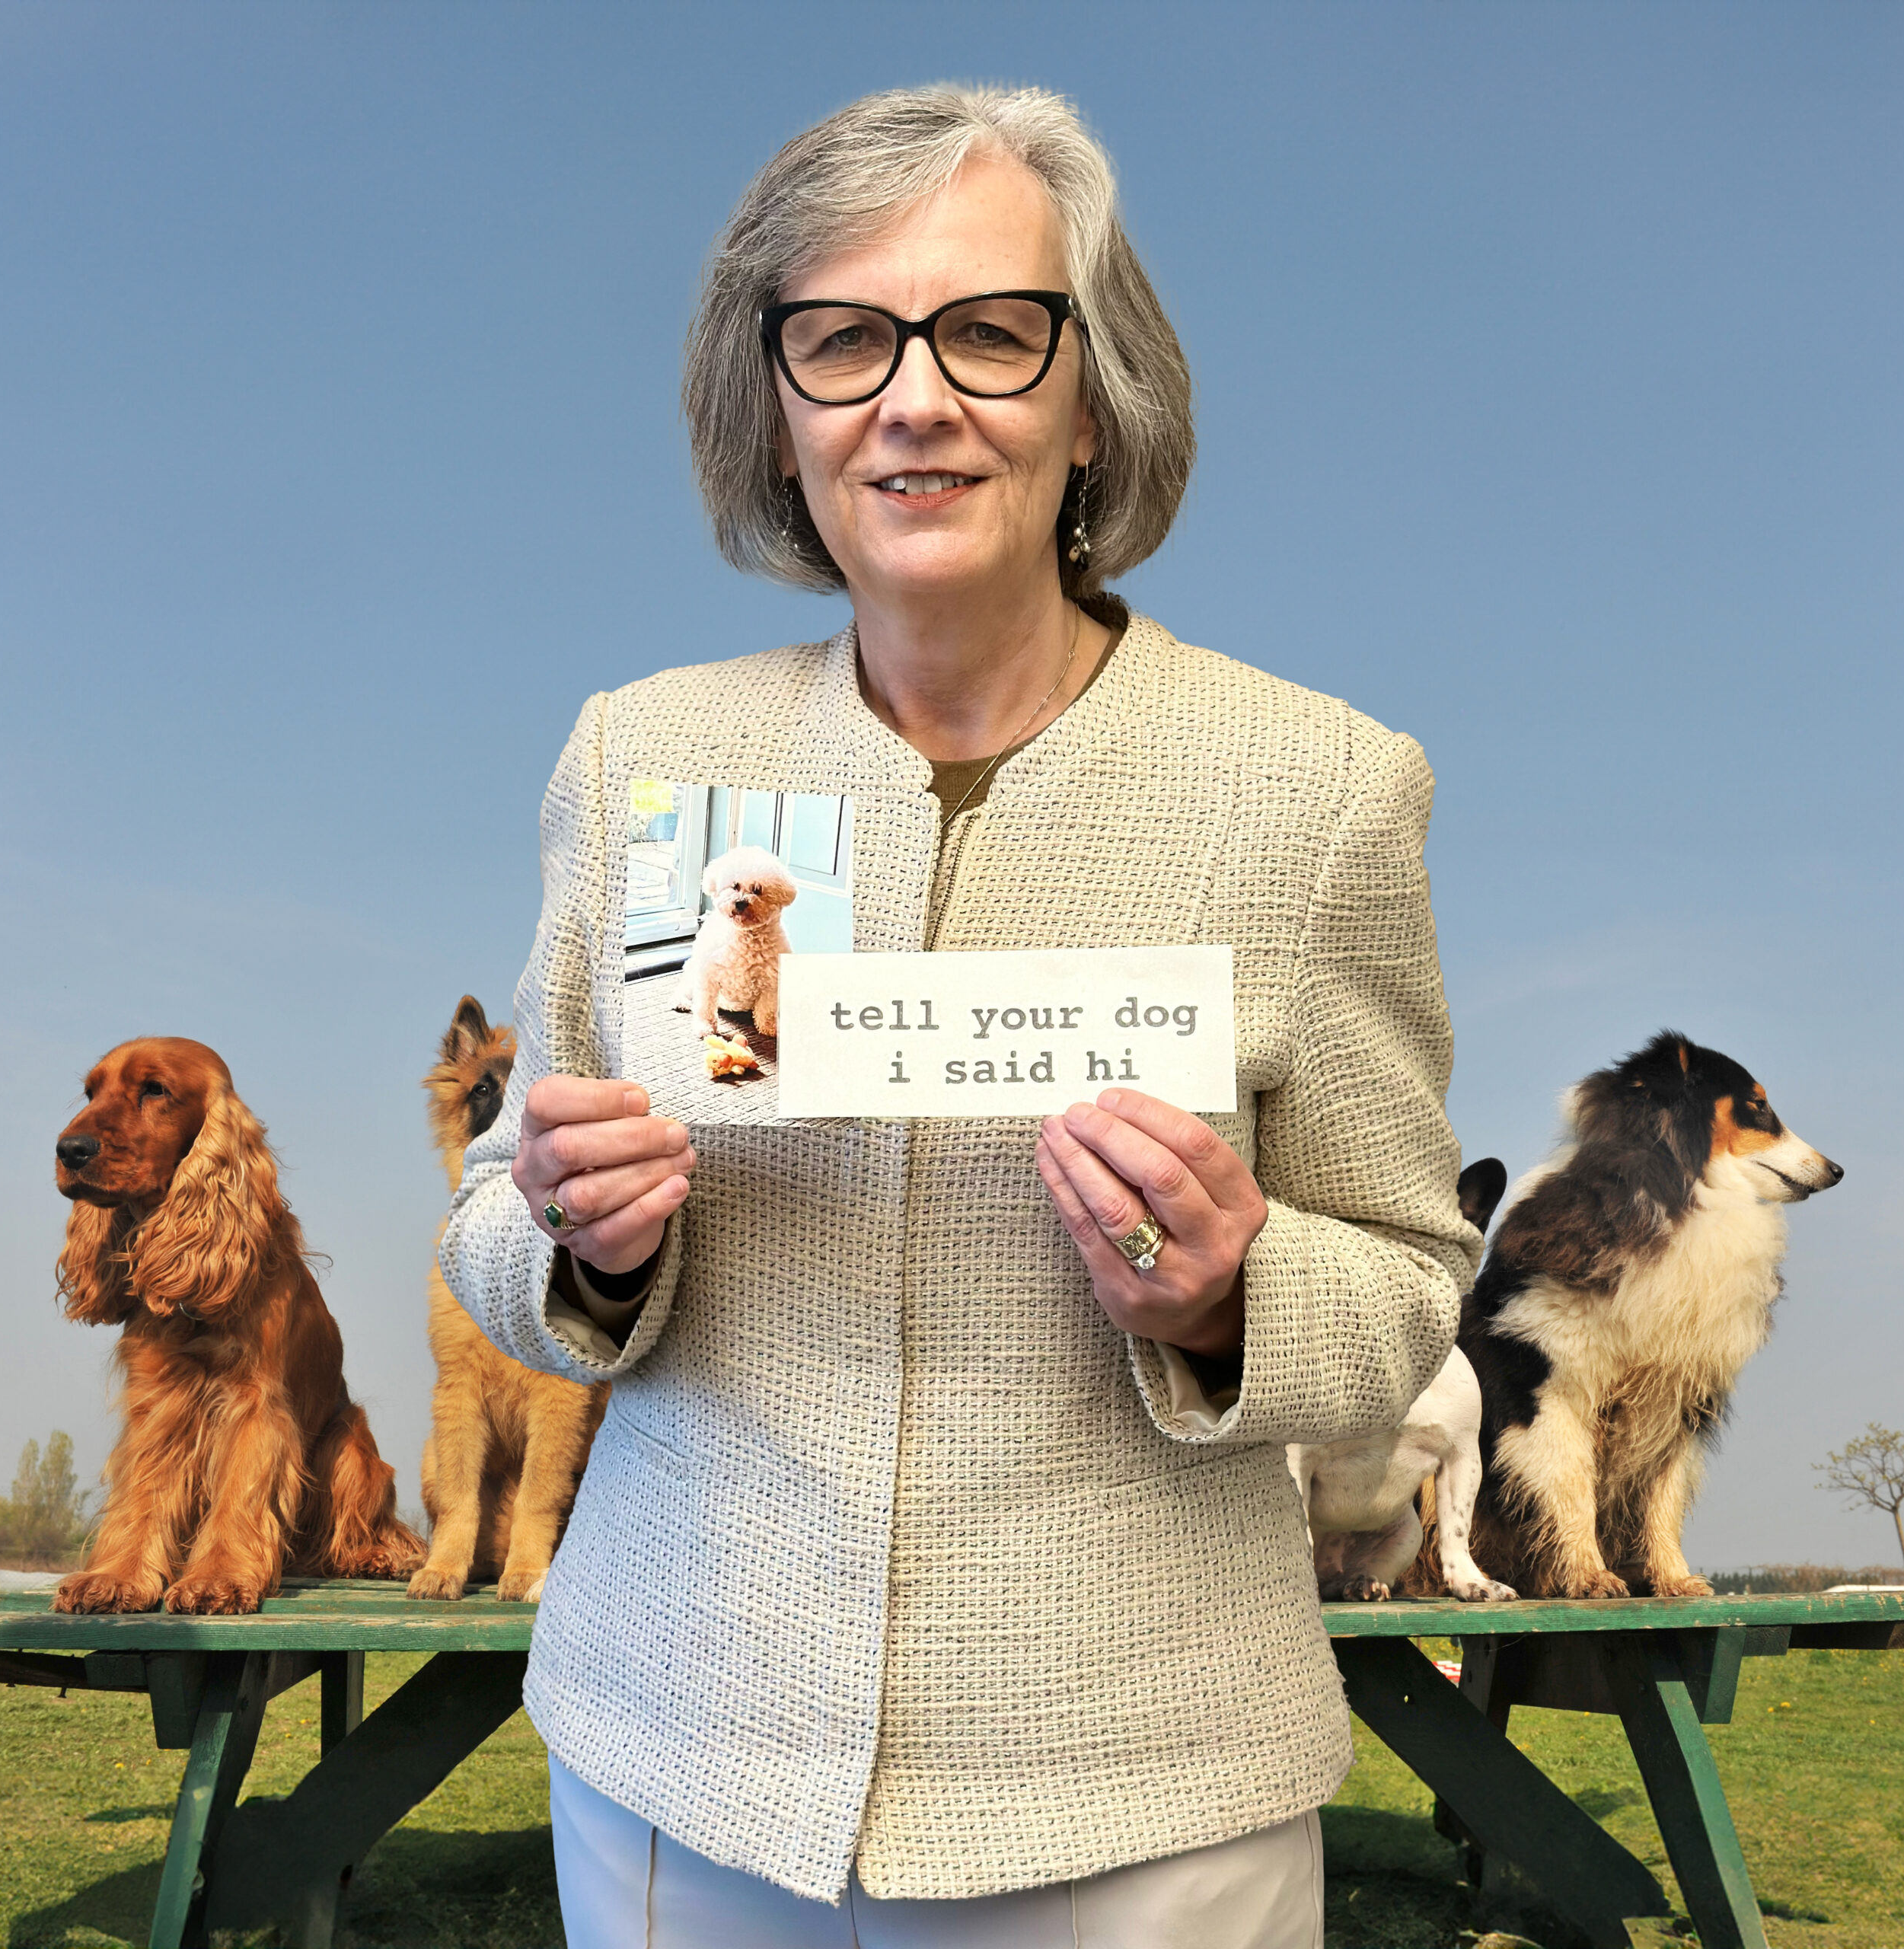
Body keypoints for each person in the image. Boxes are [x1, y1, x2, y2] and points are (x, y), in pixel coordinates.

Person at [442, 84, 1480, 1949]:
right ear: (774, 410)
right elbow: (497, 1208)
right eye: (839, 339)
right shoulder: (639, 757)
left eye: (990, 332)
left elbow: (1410, 1275)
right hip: (680, 1766)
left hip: (1144, 1805)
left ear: (1094, 400)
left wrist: (1239, 1294)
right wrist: (567, 1240)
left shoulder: (1316, 786)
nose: (911, 397)